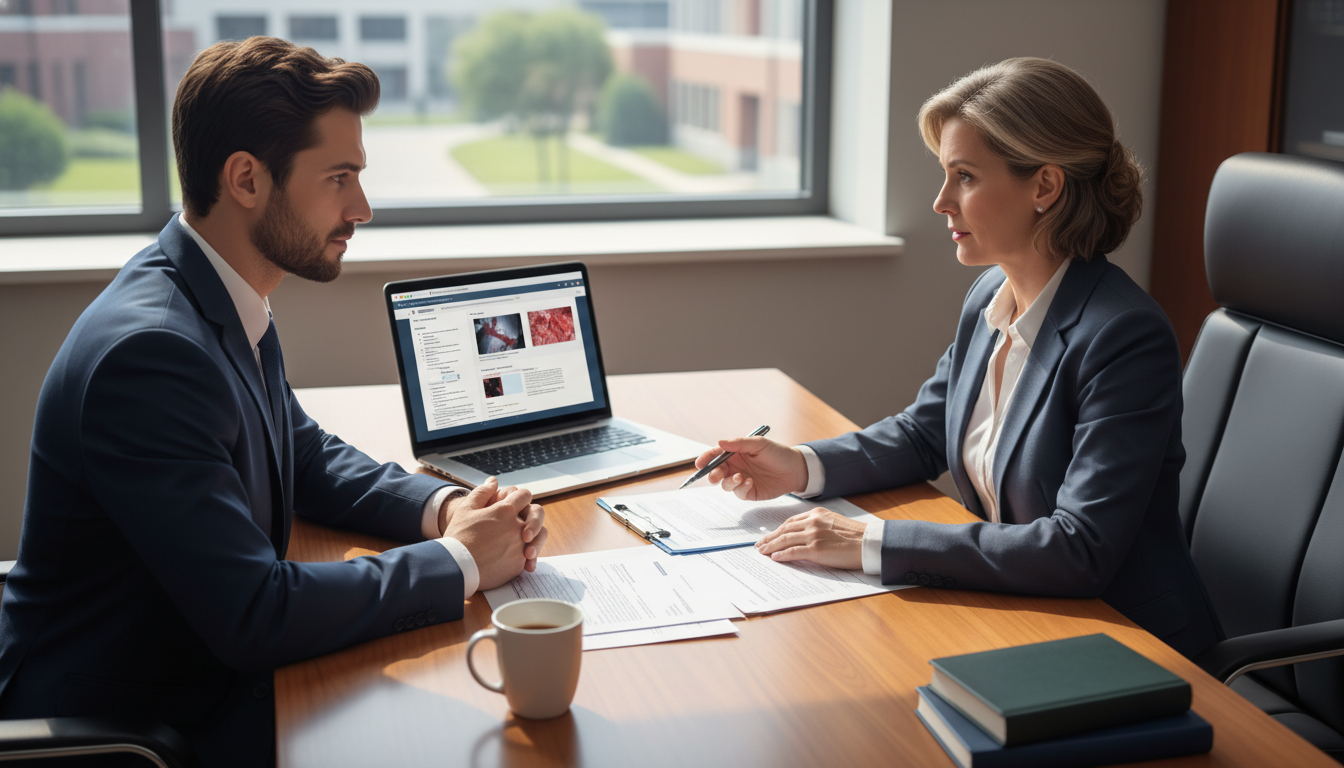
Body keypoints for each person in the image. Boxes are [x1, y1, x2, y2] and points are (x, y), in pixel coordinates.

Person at [0, 37, 547, 766]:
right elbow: (255, 614)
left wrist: (442, 509)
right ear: (247, 180)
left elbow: (300, 451)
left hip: (200, 671)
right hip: (139, 726)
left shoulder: (220, 293)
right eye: (339, 178)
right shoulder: (151, 354)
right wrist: (459, 562)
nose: (362, 207)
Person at [695, 58, 1222, 659]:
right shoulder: (989, 297)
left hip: (1126, 642)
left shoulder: (1123, 336)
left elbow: (1080, 549)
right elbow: (926, 433)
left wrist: (872, 540)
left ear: (1044, 187)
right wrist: (802, 468)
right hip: (1026, 613)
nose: (942, 201)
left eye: (965, 177)